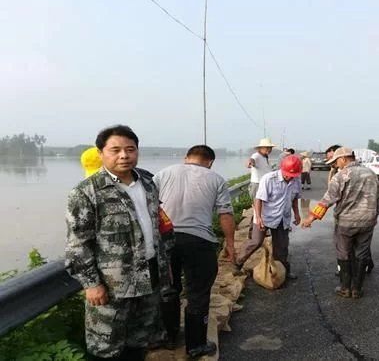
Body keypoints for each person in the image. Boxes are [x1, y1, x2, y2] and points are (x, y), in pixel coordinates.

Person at [65, 125, 172, 361]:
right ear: (101, 153)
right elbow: (77, 244)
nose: (124, 155)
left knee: (140, 342)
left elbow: (155, 228)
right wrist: (91, 283)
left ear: (137, 151)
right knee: (105, 348)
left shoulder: (147, 183)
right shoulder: (86, 192)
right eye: (115, 150)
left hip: (149, 278)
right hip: (112, 286)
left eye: (130, 149)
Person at [153, 145, 236, 358]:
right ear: (210, 162)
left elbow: (149, 207)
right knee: (198, 293)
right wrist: (230, 244)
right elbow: (225, 214)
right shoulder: (216, 179)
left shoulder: (163, 174)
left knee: (168, 289)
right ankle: (196, 345)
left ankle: (169, 337)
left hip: (165, 240)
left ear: (186, 158)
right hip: (200, 242)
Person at [302, 147, 379, 299]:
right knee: (362, 254)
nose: (335, 165)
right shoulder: (371, 174)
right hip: (367, 222)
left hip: (346, 223)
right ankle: (357, 289)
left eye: (336, 161)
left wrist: (311, 218)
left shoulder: (341, 176)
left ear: (344, 159)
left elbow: (327, 200)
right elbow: (377, 199)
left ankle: (345, 288)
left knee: (343, 253)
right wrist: (374, 217)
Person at [237, 155, 303, 280]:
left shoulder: (296, 181)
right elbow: (259, 199)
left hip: (282, 219)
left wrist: (297, 214)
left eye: (292, 175)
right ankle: (238, 263)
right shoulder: (269, 179)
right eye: (287, 174)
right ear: (282, 169)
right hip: (265, 216)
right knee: (256, 242)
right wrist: (259, 217)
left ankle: (283, 271)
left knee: (282, 246)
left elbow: (294, 199)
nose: (289, 177)